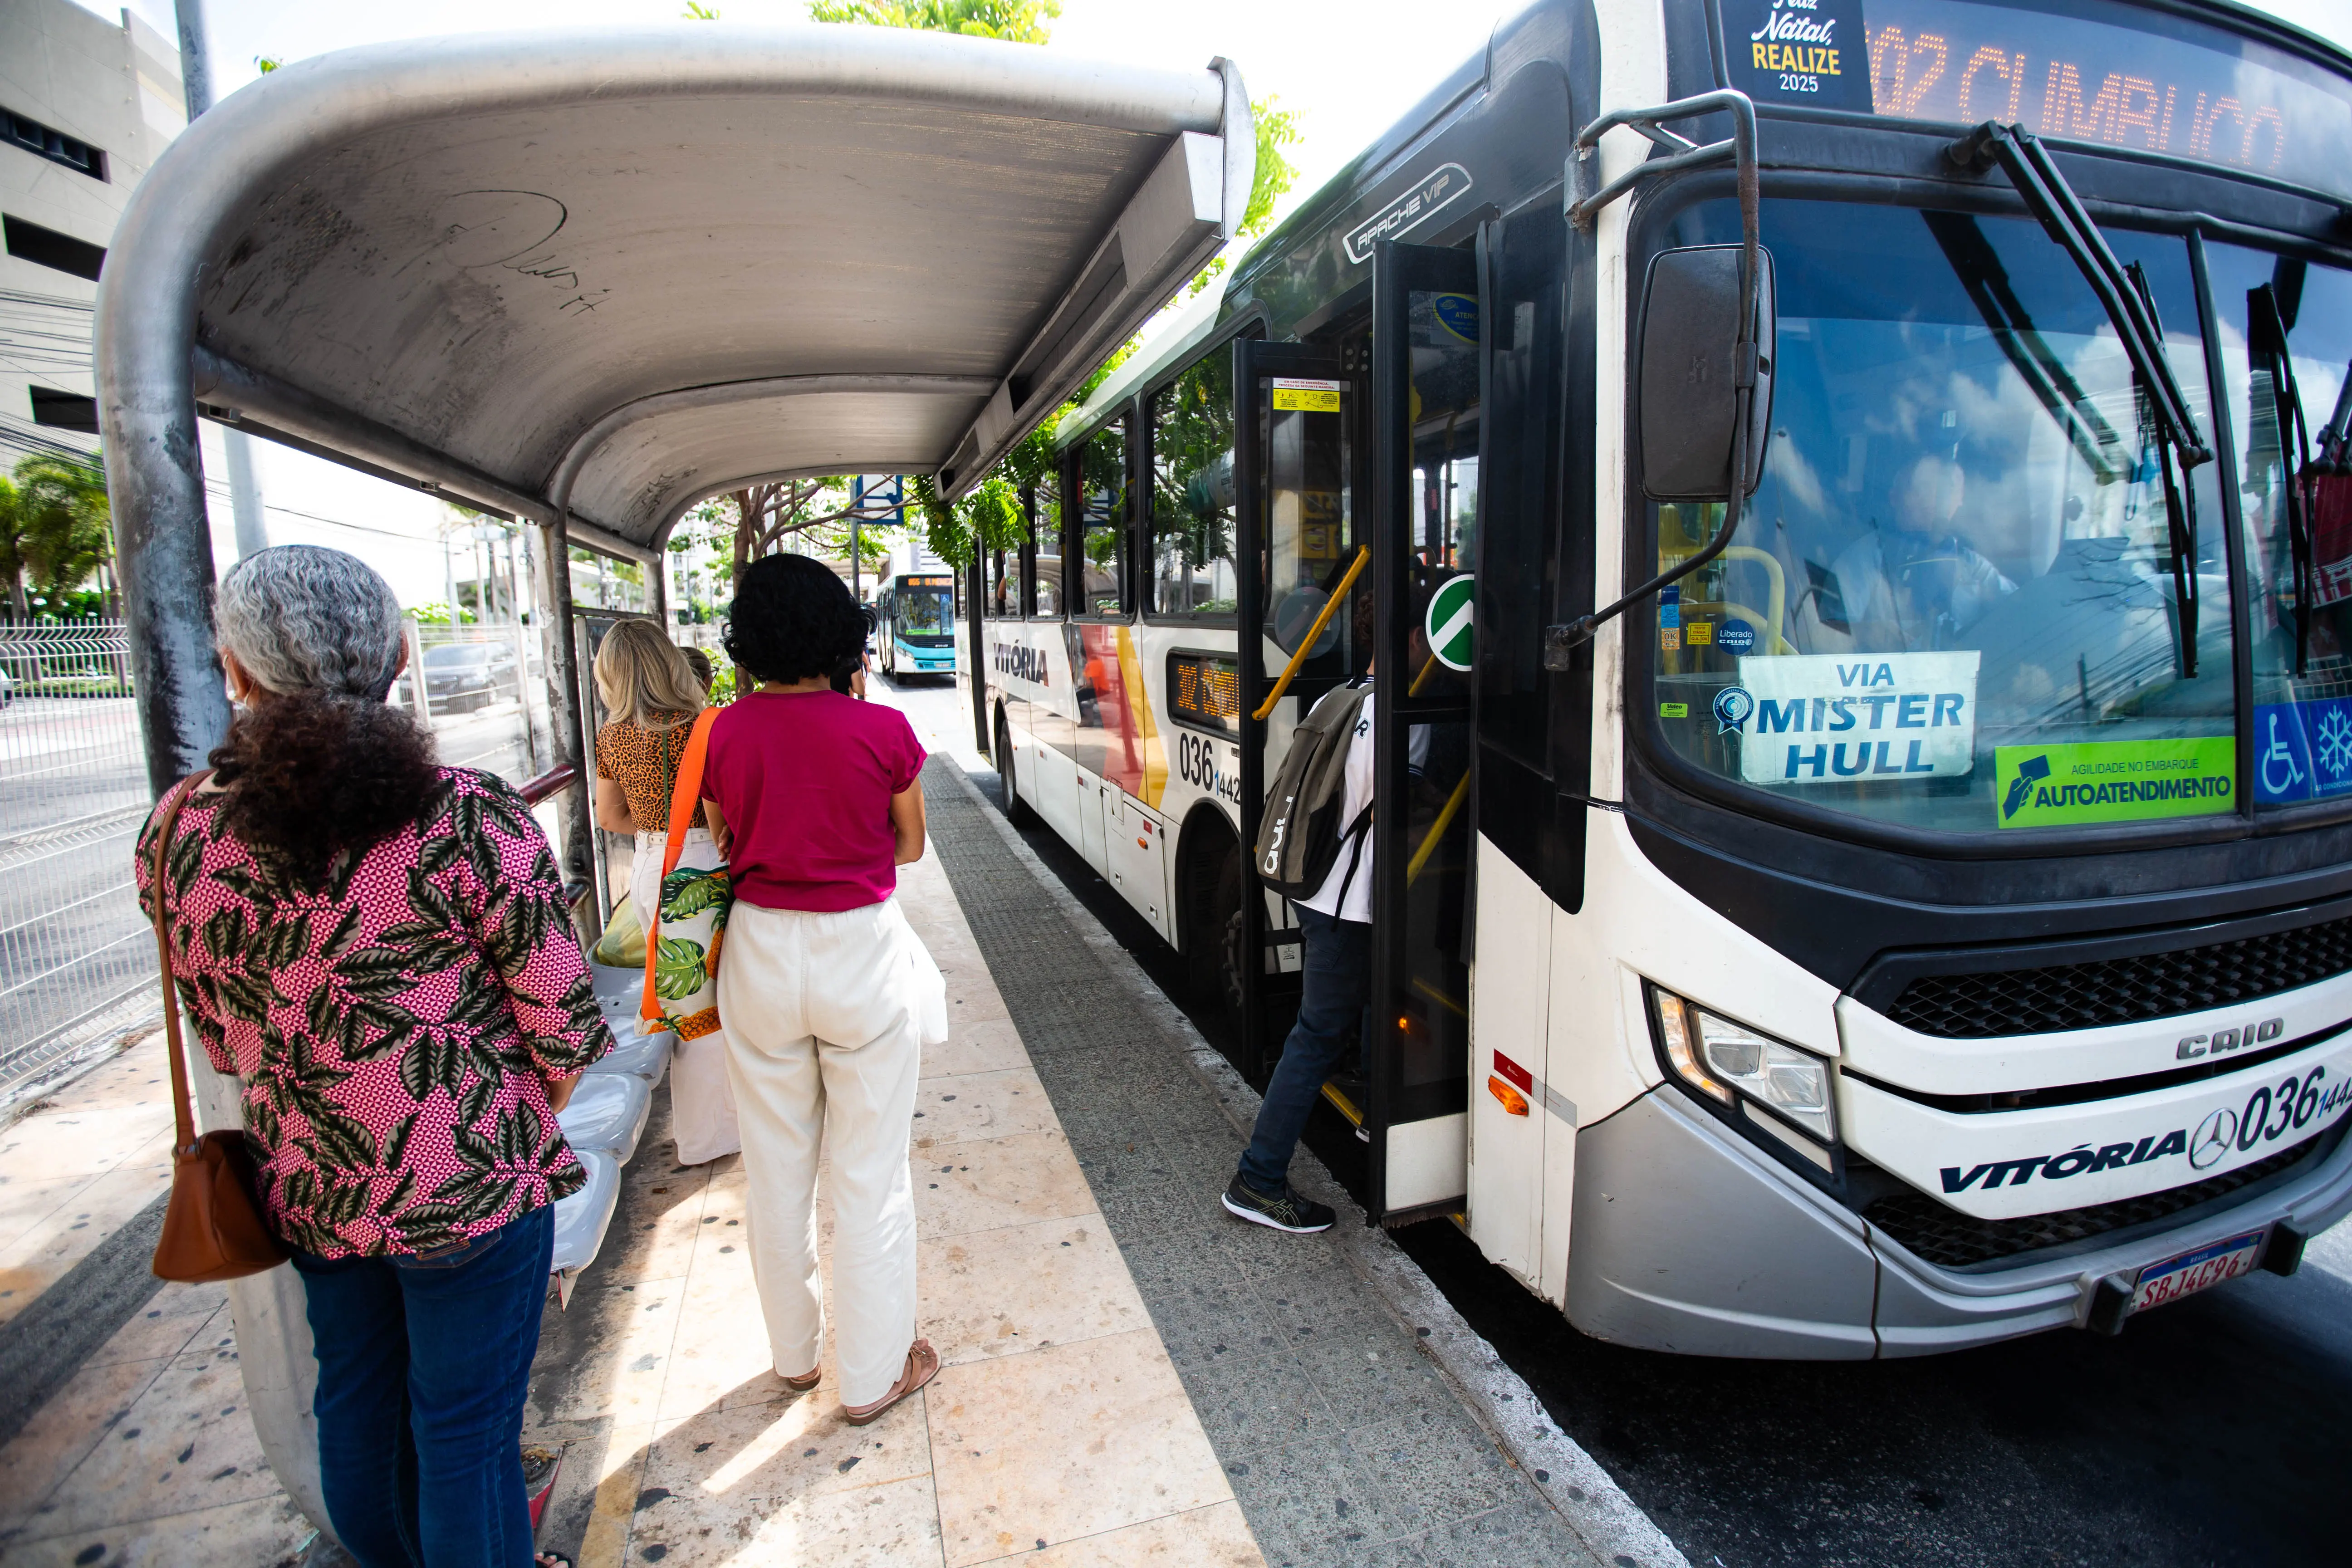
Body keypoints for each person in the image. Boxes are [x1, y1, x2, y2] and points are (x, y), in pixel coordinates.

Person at [135, 545, 606, 1568]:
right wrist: (500, 1125)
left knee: (354, 1403)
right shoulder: (466, 812)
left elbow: (218, 1033)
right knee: (467, 1438)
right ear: (398, 654)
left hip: (312, 1181)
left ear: (237, 671)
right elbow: (562, 1027)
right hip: (472, 1180)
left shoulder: (179, 833)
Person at [701, 554, 947, 1423]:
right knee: (871, 1173)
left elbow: (725, 839)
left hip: (759, 953)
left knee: (774, 1167)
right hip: (859, 952)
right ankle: (875, 1375)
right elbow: (908, 847)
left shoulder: (720, 732)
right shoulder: (881, 733)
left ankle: (795, 1358)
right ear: (839, 631)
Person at [1830, 453, 2016, 650]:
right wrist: (1867, 633)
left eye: (1947, 490)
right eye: (1923, 488)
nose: (1936, 500)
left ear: (1960, 499)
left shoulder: (1973, 566)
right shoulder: (1864, 559)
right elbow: (1822, 635)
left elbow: (2023, 610)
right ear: (1895, 497)